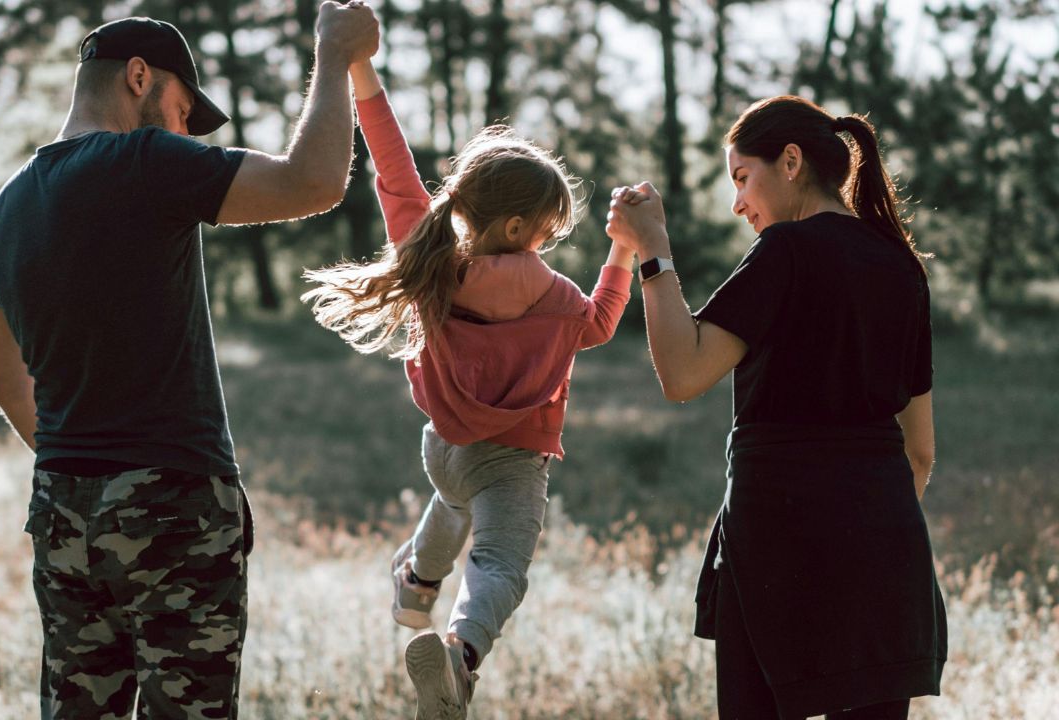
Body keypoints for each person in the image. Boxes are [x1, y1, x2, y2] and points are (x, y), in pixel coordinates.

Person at [0, 7, 379, 719]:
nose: (187, 133)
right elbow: (315, 181)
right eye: (184, 109)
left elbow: (6, 385)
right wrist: (335, 51)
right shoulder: (144, 162)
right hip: (172, 507)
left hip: (64, 511)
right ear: (138, 78)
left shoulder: (3, 211)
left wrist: (92, 467)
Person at [301, 59, 636, 720]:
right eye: (545, 230)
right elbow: (598, 326)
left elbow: (394, 175)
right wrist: (621, 252)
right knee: (498, 566)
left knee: (453, 500)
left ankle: (417, 580)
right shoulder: (560, 297)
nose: (546, 241)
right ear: (517, 229)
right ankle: (460, 653)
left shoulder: (432, 267)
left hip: (445, 451)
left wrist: (362, 71)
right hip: (508, 463)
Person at [605, 95, 946, 719]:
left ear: (790, 162)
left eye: (742, 178)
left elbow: (682, 374)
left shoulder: (786, 251)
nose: (738, 203)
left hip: (776, 545)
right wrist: (866, 532)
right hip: (883, 549)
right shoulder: (903, 269)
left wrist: (652, 250)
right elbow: (920, 452)